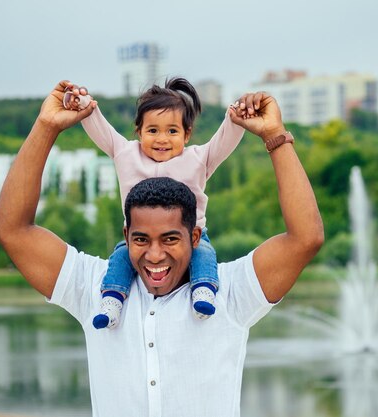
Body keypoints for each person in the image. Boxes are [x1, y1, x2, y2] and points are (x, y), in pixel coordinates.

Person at [0, 80, 324, 417]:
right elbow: (12, 230)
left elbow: (304, 239)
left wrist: (275, 137)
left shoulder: (230, 293)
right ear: (126, 233)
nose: (154, 255)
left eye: (170, 239)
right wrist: (46, 126)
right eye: (140, 239)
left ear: (194, 237)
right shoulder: (95, 287)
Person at [63, 77, 245, 328]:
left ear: (186, 133)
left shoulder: (198, 159)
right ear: (139, 131)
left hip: (191, 236)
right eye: (152, 131)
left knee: (203, 253)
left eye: (172, 131)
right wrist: (82, 104)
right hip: (139, 238)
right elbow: (100, 128)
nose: (162, 139)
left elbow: (224, 141)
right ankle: (112, 299)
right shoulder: (126, 154)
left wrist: (236, 117)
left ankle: (203, 289)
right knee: (120, 258)